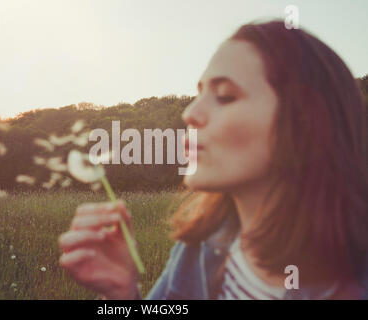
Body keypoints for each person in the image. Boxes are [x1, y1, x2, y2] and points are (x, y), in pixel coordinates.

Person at [58, 19, 368, 300]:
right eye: (200, 92)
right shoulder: (203, 241)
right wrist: (122, 294)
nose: (189, 113)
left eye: (225, 96)